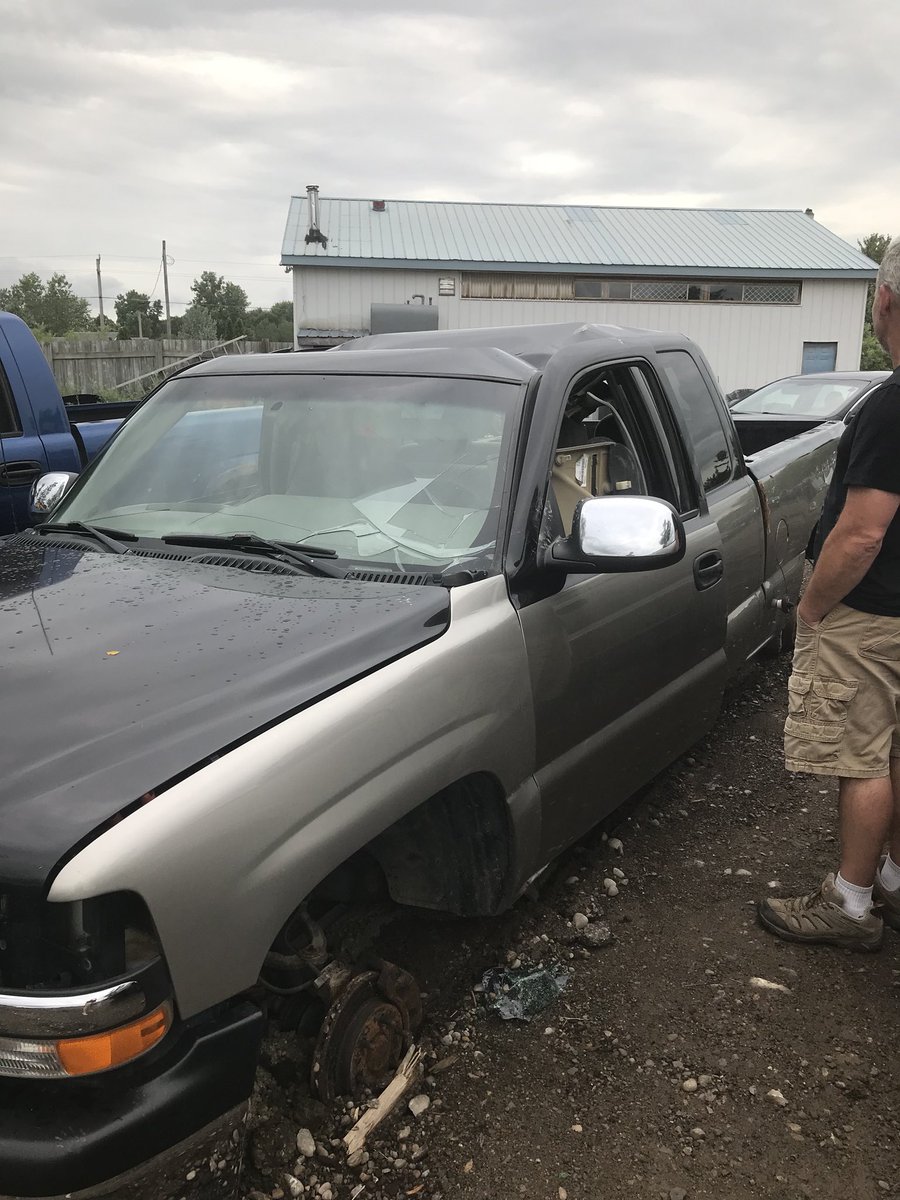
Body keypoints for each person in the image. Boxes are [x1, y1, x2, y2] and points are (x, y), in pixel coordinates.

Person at [758, 236, 900, 950]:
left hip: (874, 614)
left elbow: (862, 533)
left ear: (884, 301)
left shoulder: (891, 407)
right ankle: (894, 880)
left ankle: (850, 904)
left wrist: (812, 607)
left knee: (863, 759)